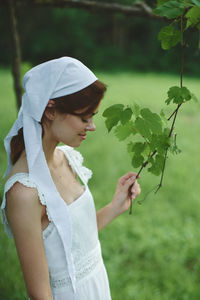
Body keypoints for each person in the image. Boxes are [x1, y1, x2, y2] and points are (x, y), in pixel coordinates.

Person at [1, 57, 141, 300]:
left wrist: (115, 206)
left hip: (97, 285)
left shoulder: (67, 158)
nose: (92, 126)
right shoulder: (24, 192)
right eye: (85, 117)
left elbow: (72, 242)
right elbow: (39, 293)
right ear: (51, 109)